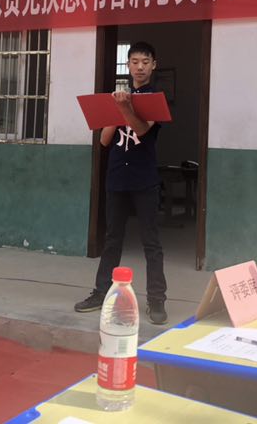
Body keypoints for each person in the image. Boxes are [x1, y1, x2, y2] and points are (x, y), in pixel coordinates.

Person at [75, 41, 168, 325]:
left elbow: (141, 129)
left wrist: (125, 108)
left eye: (145, 62)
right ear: (128, 65)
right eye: (135, 62)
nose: (140, 67)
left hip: (144, 179)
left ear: (153, 65)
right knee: (112, 238)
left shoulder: (154, 99)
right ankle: (101, 292)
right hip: (117, 177)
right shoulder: (119, 97)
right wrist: (115, 111)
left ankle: (156, 300)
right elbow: (105, 140)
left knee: (151, 241)